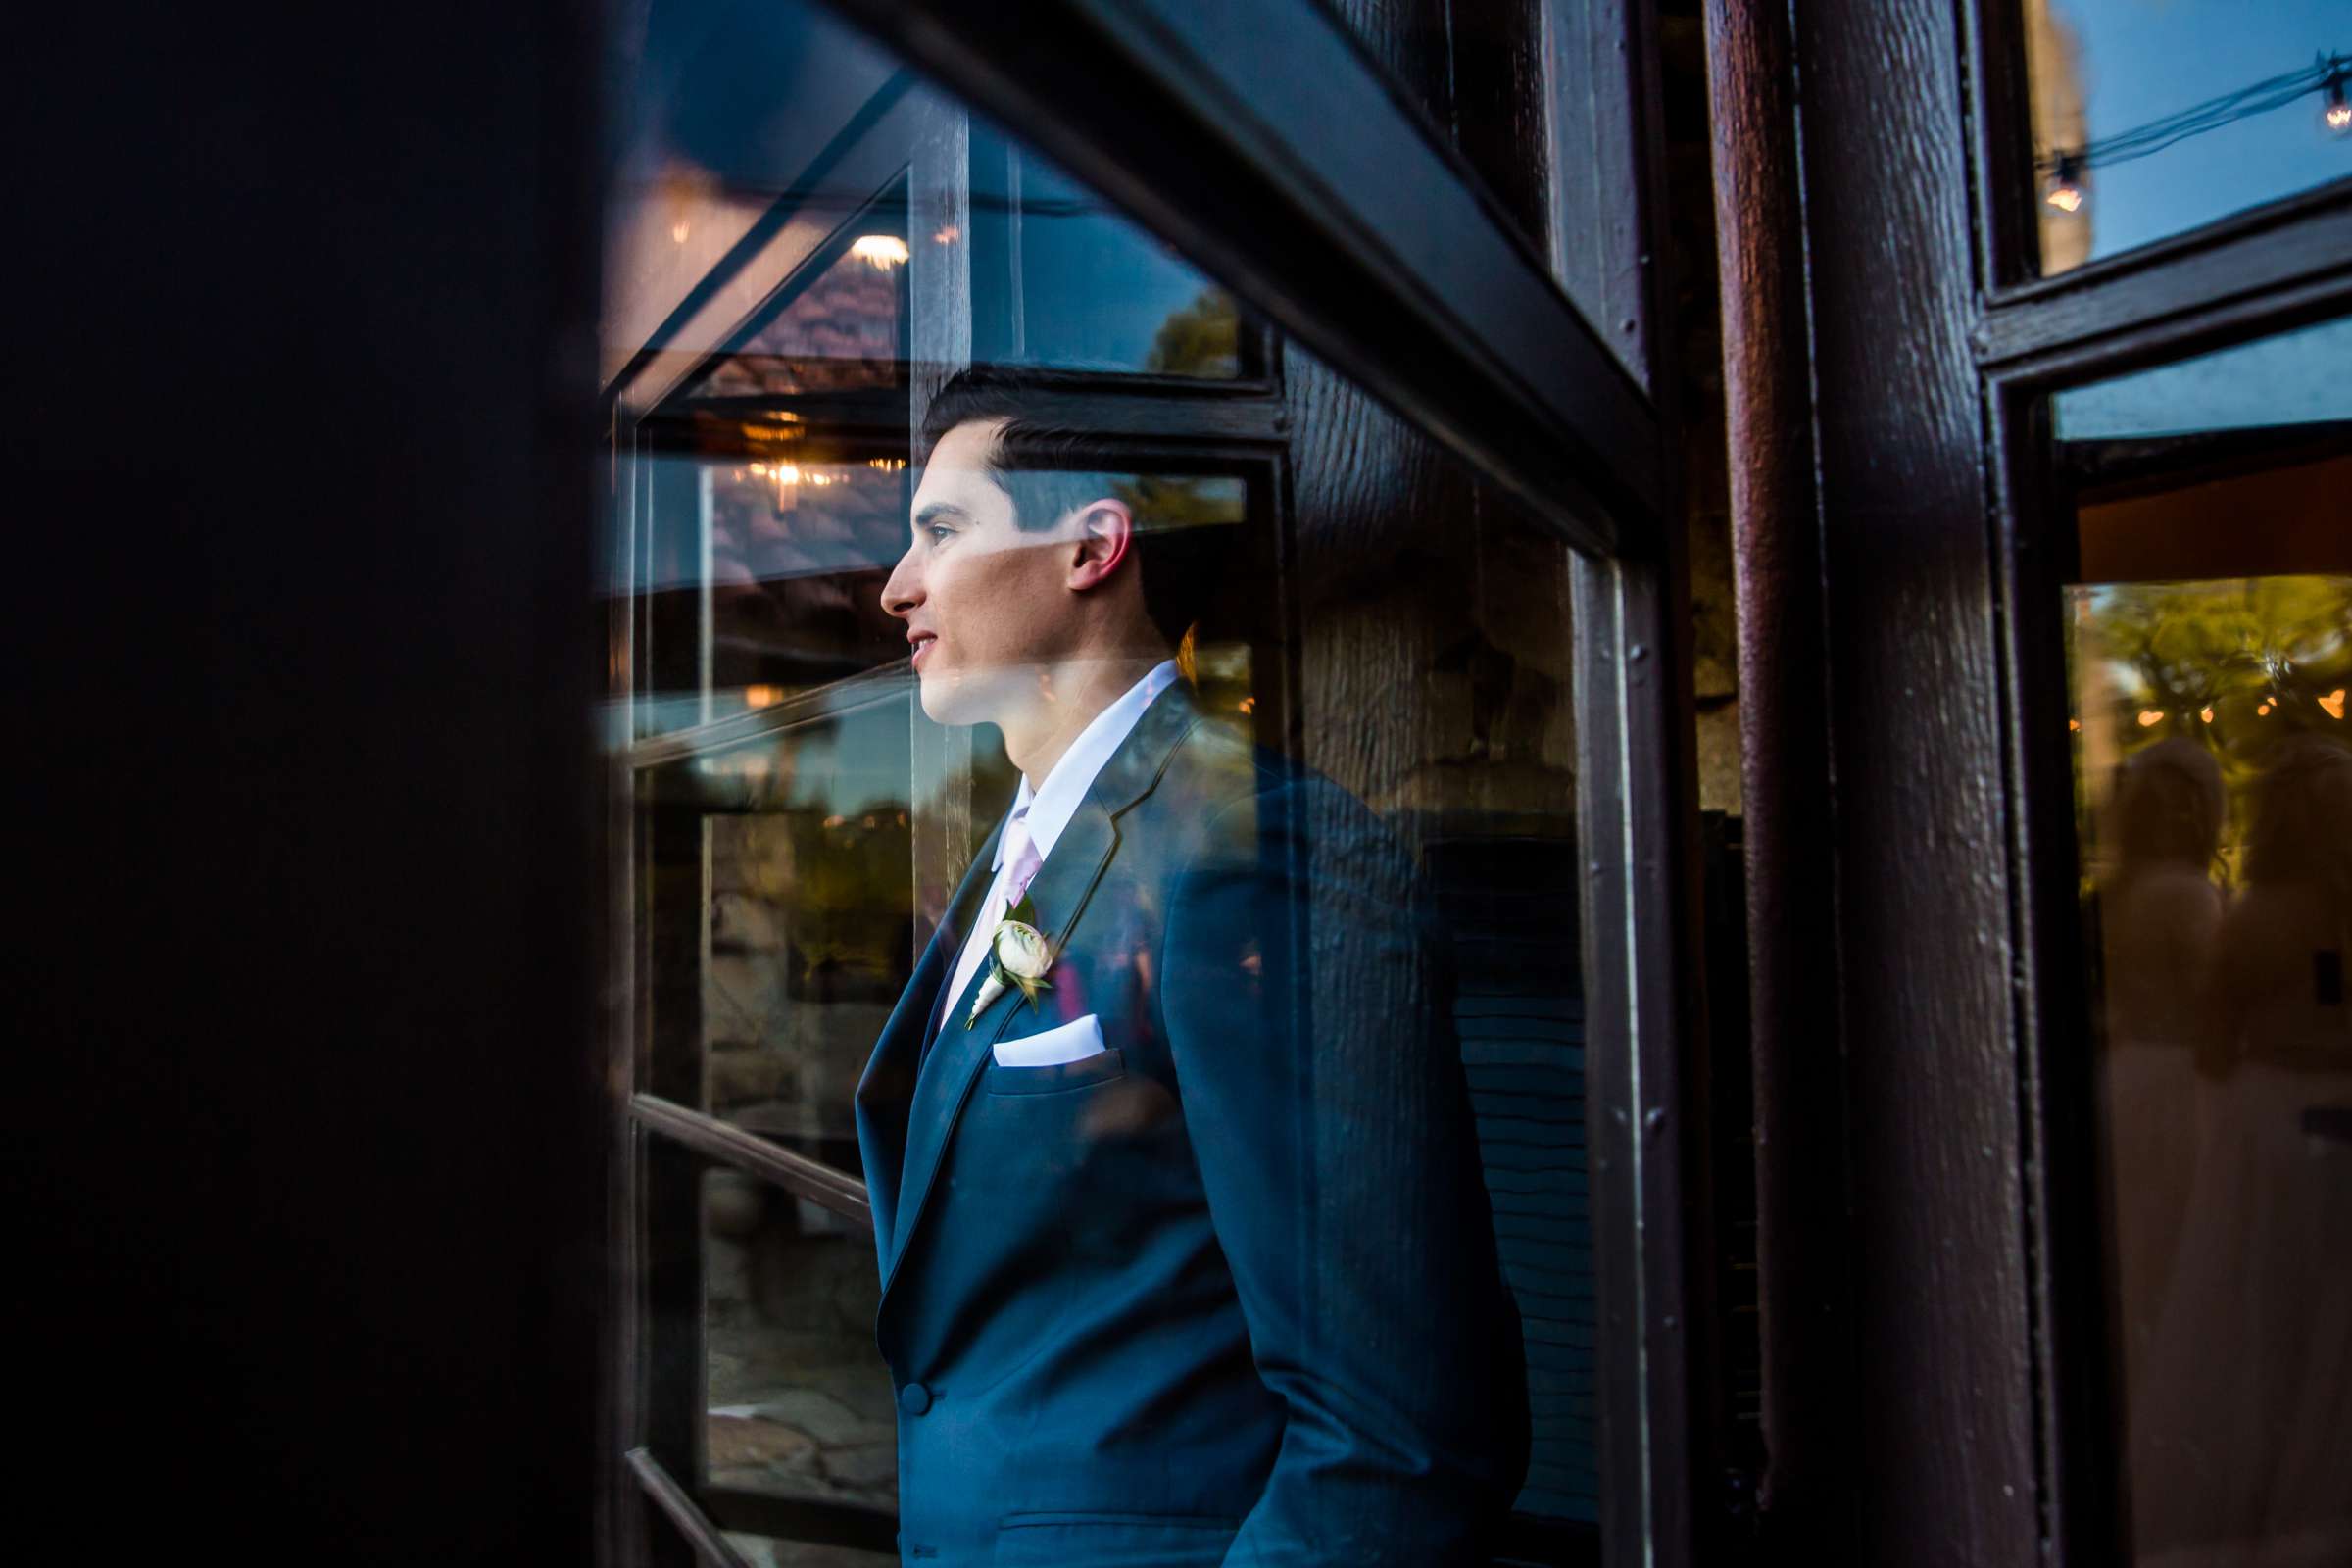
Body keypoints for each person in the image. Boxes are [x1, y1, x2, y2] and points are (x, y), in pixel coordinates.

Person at [853, 367, 1529, 1566]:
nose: (897, 586)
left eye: (942, 531)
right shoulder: (1021, 844)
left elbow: (1403, 1435)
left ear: (1092, 546)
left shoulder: (1255, 850)